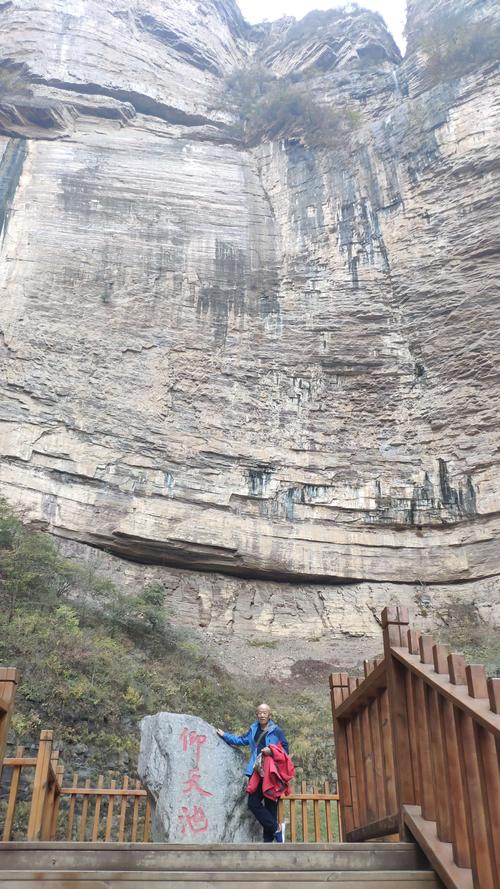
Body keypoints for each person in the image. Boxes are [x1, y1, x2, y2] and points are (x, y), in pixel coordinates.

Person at [216, 703, 288, 843]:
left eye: (265, 713)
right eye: (259, 713)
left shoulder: (276, 731)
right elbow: (241, 740)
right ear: (256, 715)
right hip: (256, 772)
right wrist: (225, 736)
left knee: (270, 806)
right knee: (253, 803)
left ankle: (269, 842)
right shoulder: (253, 729)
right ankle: (276, 828)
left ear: (269, 715)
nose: (262, 715)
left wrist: (272, 751)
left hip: (271, 773)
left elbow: (285, 750)